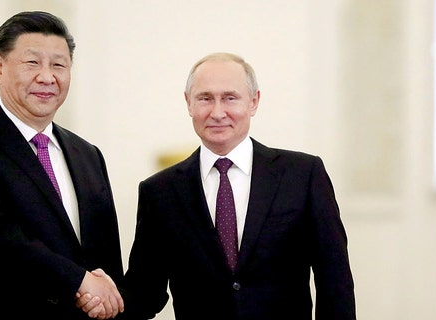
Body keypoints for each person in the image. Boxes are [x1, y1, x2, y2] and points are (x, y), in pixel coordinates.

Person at [120, 52, 356, 319]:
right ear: (188, 103)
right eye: (205, 98)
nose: (217, 112)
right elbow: (145, 292)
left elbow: (334, 280)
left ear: (254, 102)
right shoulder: (159, 192)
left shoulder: (303, 175)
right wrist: (98, 295)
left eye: (230, 98)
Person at [0, 11, 124, 319]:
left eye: (59, 65)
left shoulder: (87, 154)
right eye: (32, 63)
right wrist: (80, 281)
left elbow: (106, 258)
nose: (47, 77)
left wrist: (107, 298)